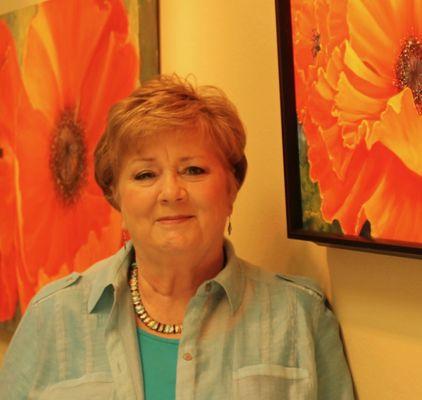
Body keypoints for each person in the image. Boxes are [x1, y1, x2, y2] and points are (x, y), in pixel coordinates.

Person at [0, 75, 354, 399]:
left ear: (232, 187)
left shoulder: (298, 315)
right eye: (145, 175)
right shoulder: (53, 317)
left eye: (193, 170)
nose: (171, 192)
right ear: (115, 195)